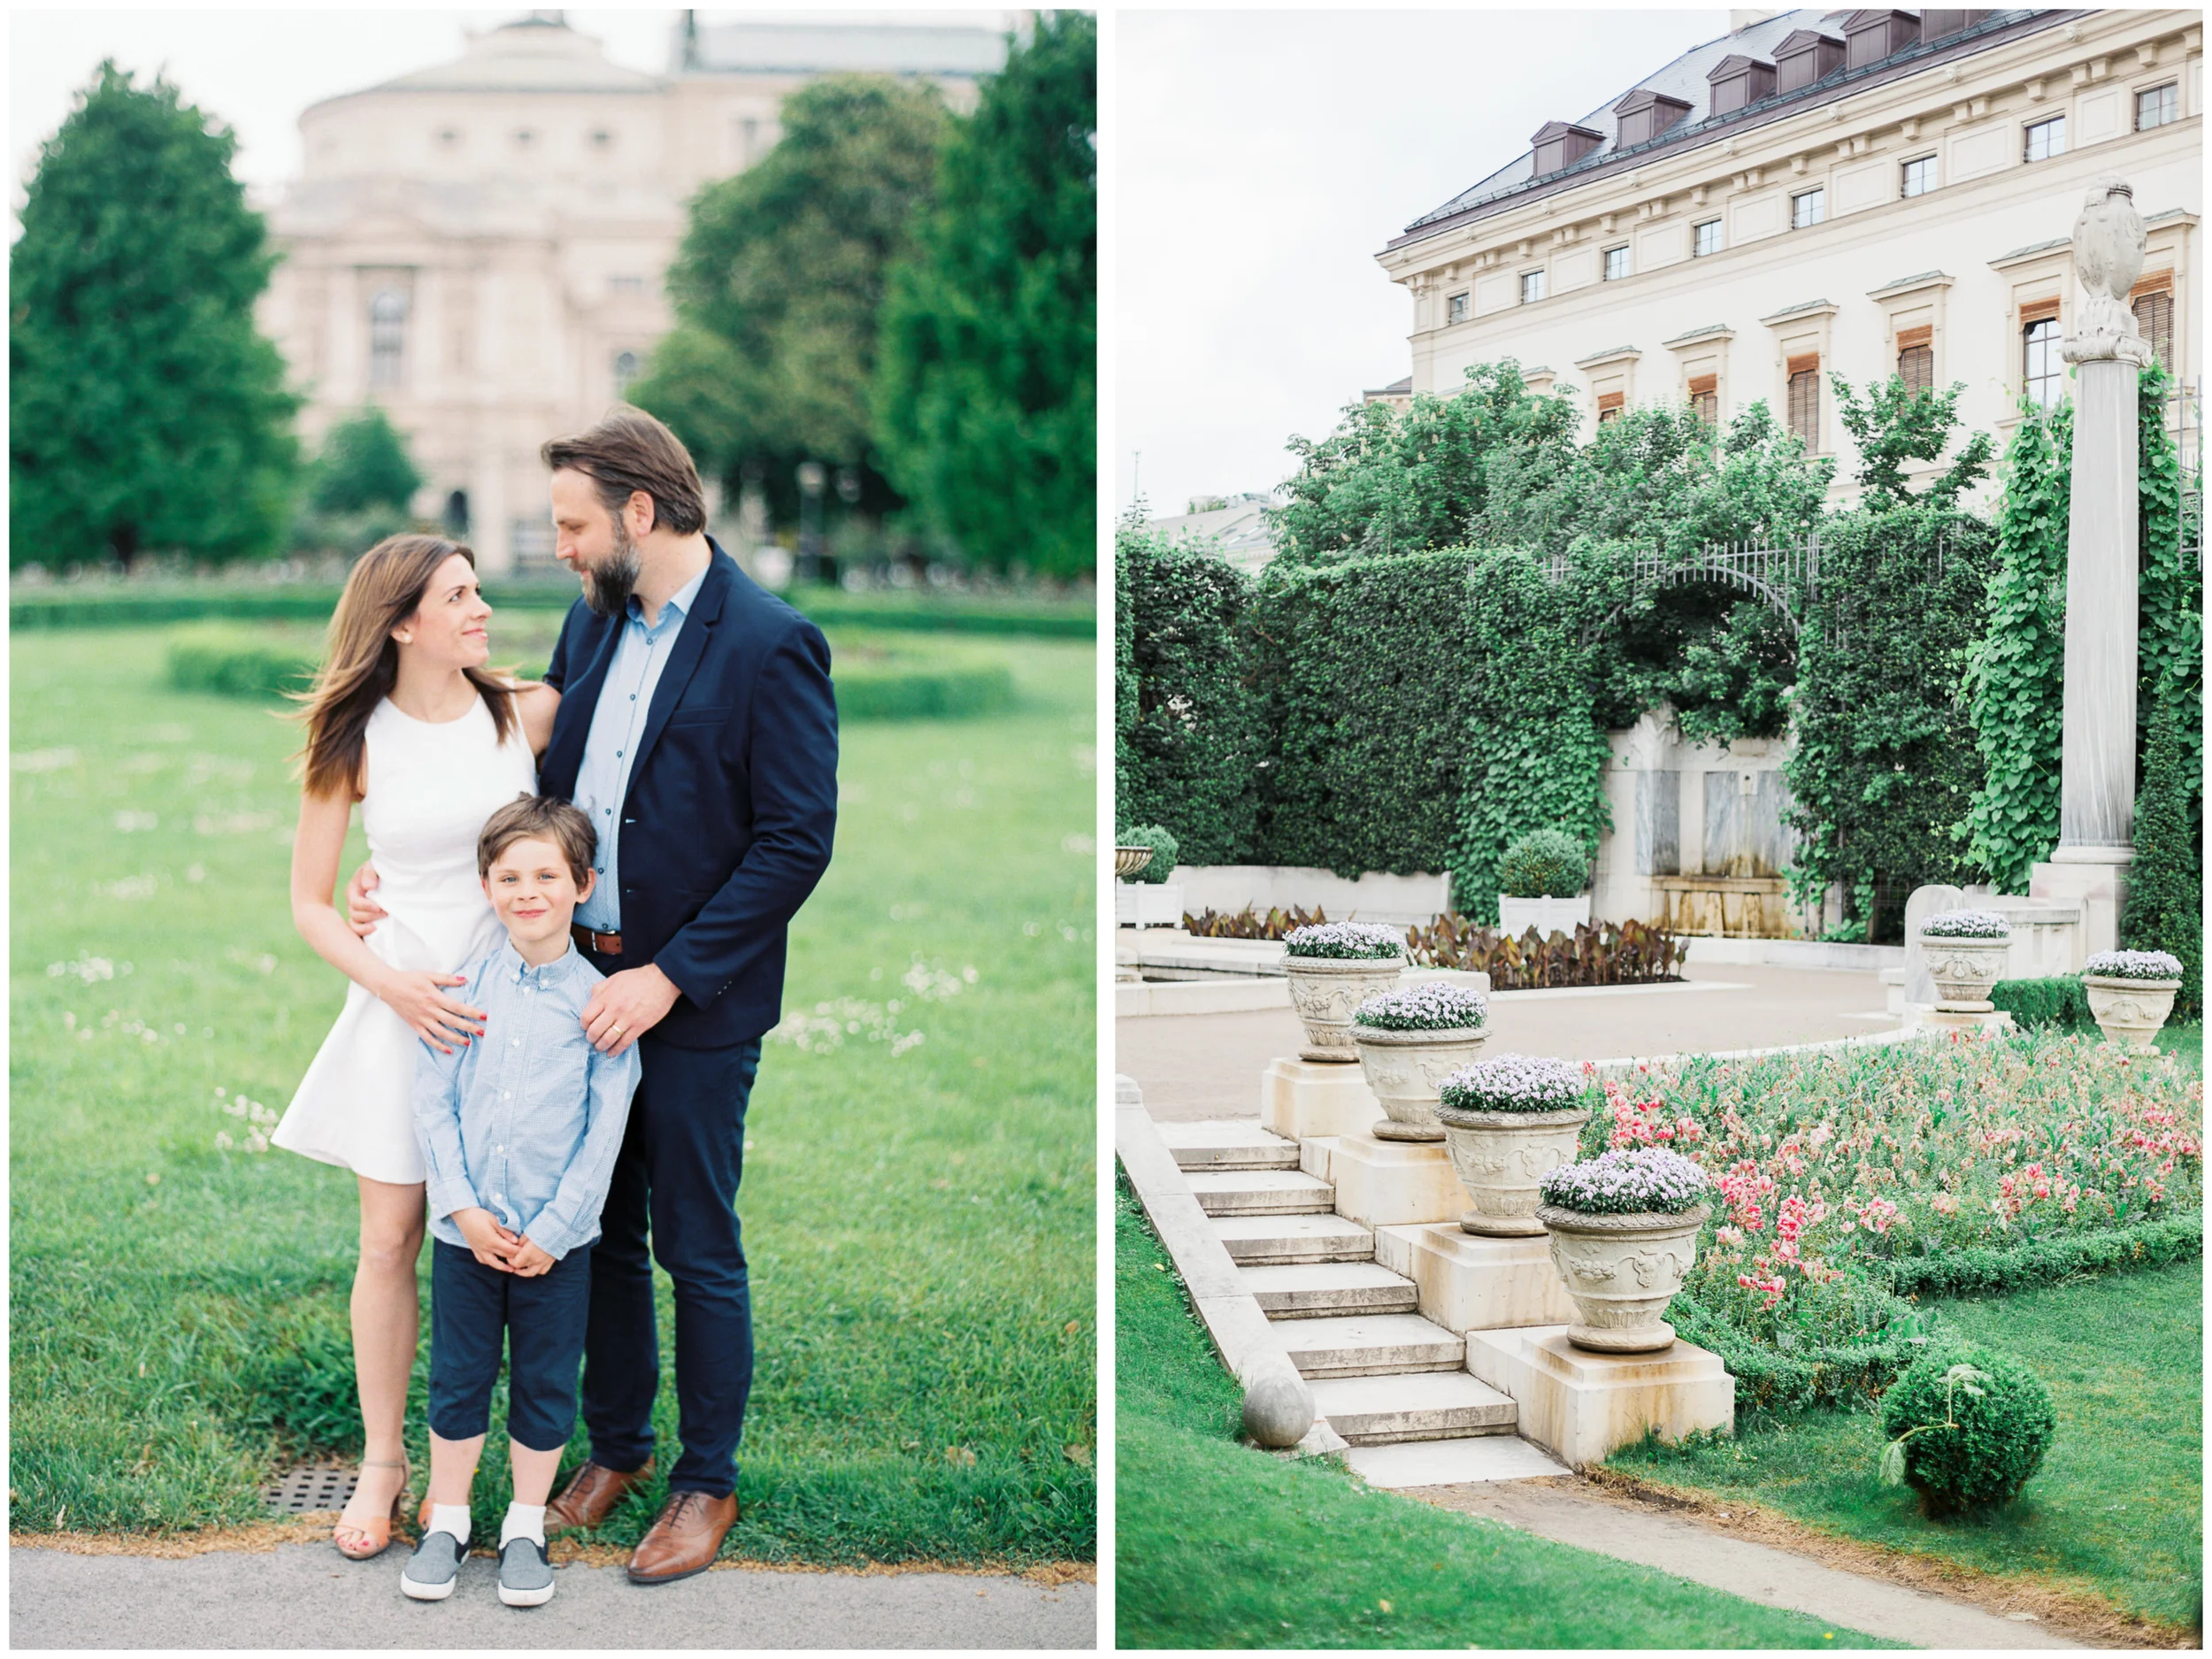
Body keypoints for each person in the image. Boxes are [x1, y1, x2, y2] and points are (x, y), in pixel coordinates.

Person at [349, 406, 837, 1585]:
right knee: (598, 1233)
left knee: (695, 1242)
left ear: (637, 511)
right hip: (566, 991)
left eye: (571, 524)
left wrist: (668, 977)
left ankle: (703, 1481)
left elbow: (794, 840)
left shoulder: (771, 642)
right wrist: (399, 869)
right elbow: (523, 768)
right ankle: (613, 1447)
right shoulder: (593, 620)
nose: (558, 546)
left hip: (692, 1000)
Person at [273, 534, 558, 1561]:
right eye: (459, 595)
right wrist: (389, 980)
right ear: (401, 621)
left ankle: (519, 1472)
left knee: (520, 1237)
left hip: (513, 1013)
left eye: (479, 590)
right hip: (404, 1004)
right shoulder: (352, 738)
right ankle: (383, 1461)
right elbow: (311, 903)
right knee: (391, 1239)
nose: (482, 608)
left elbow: (564, 841)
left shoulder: (523, 711)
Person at [401, 796, 641, 1608]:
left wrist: (554, 1229)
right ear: (486, 883)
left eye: (546, 874)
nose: (526, 890)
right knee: (459, 1376)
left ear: (584, 884)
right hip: (465, 1234)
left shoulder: (601, 1004)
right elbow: (432, 1102)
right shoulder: (460, 989)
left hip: (556, 1242)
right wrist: (463, 1208)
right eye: (509, 875)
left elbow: (604, 1132)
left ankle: (526, 1526)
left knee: (544, 1381)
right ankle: (450, 1519)